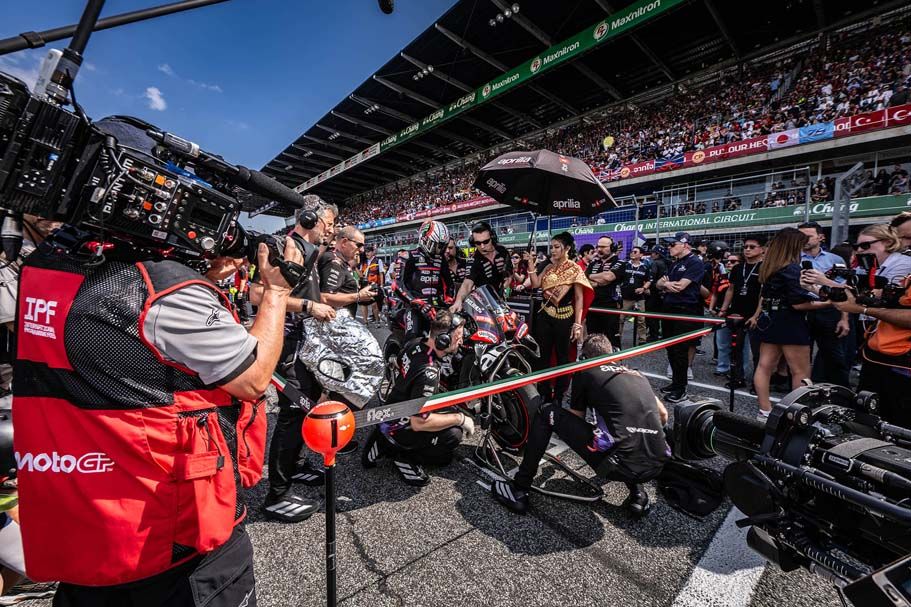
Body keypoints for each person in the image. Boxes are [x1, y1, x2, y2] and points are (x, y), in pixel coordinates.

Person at [14, 227, 301, 604]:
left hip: (83, 531)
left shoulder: (46, 269)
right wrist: (277, 291)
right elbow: (252, 378)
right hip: (173, 540)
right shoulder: (160, 287)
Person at [490, 334, 669, 518]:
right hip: (656, 465)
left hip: (618, 465)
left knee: (546, 412)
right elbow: (663, 415)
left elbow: (576, 419)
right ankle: (638, 494)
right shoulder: (637, 375)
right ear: (613, 353)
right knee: (625, 430)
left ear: (584, 358)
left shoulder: (586, 372)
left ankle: (519, 489)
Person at [252, 198, 339, 524]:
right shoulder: (282, 245)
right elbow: (255, 294)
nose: (331, 229)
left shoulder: (310, 250)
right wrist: (309, 307)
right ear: (310, 217)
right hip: (287, 343)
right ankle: (276, 495)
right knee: (292, 414)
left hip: (307, 344)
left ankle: (296, 465)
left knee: (308, 405)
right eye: (328, 222)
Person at [361, 311, 474, 486]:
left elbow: (400, 363)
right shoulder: (429, 372)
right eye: (458, 337)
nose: (461, 341)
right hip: (402, 425)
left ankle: (384, 438)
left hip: (392, 410)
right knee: (451, 439)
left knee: (444, 410)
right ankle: (403, 455)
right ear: (443, 340)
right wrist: (461, 419)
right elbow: (419, 422)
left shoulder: (416, 343)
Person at [751, 228, 831, 420]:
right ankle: (798, 415)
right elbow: (798, 303)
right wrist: (828, 303)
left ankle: (764, 411)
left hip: (770, 319)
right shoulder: (792, 268)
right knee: (801, 372)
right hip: (791, 322)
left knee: (764, 366)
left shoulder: (769, 267)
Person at [524, 233, 594, 406]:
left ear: (567, 248)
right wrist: (531, 263)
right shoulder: (548, 266)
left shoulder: (574, 269)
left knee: (563, 358)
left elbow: (579, 298)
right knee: (543, 356)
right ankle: (544, 393)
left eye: (557, 247)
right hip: (544, 315)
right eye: (552, 247)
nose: (553, 250)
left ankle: (559, 396)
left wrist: (577, 323)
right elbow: (535, 284)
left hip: (565, 317)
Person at [797, 222, 851, 387]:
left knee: (834, 355)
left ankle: (842, 390)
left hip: (828, 310)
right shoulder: (792, 258)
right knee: (800, 355)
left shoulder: (835, 259)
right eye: (800, 236)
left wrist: (844, 318)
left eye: (808, 236)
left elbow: (844, 290)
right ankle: (801, 390)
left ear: (820, 237)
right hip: (801, 309)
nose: (804, 240)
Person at [656, 232, 705, 403]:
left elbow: (680, 286)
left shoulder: (695, 262)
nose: (669, 247)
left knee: (680, 350)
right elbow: (658, 284)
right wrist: (666, 284)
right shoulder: (675, 263)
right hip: (669, 309)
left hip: (685, 310)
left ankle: (681, 388)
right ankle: (676, 383)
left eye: (672, 244)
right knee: (670, 348)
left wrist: (666, 284)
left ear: (685, 245)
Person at [394, 220, 453, 342]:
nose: (439, 249)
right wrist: (416, 302)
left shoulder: (441, 259)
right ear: (424, 239)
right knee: (413, 336)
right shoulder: (407, 256)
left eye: (442, 246)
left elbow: (449, 284)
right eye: (436, 245)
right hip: (413, 307)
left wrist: (449, 300)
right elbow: (397, 285)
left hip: (436, 308)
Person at [718, 236, 765, 389]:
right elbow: (730, 290)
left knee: (758, 351)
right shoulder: (738, 268)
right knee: (736, 348)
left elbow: (763, 294)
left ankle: (758, 383)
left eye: (752, 247)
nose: (747, 250)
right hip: (736, 313)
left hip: (755, 314)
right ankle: (738, 378)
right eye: (745, 247)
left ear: (762, 249)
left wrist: (756, 315)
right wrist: (724, 309)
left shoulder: (764, 267)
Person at [451, 221, 513, 311]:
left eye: (486, 242)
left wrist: (504, 289)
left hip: (503, 300)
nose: (482, 246)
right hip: (485, 304)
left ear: (492, 238)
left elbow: (509, 274)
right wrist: (458, 301)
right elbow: (467, 284)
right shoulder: (473, 260)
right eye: (478, 243)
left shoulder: (502, 251)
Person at [585, 236, 626, 350]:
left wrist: (592, 277)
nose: (599, 249)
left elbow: (609, 277)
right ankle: (592, 361)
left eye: (603, 247)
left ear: (612, 248)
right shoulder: (593, 263)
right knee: (592, 339)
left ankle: (616, 360)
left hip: (610, 306)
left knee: (612, 339)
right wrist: (597, 279)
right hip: (593, 305)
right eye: (598, 246)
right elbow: (584, 278)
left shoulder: (620, 262)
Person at [619, 246, 651, 345]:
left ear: (641, 255)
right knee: (621, 319)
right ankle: (617, 339)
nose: (632, 253)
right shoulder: (625, 265)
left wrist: (643, 288)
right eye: (632, 251)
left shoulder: (645, 267)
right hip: (626, 298)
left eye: (635, 252)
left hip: (639, 298)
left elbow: (649, 280)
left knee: (641, 320)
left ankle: (642, 340)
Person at [644, 246, 668, 342]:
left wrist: (648, 287)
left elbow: (652, 278)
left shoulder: (655, 263)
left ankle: (653, 336)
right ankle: (665, 335)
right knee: (664, 316)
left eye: (653, 253)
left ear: (657, 254)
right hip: (666, 292)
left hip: (655, 293)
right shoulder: (669, 262)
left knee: (652, 315)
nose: (651, 255)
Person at [359, 244, 386, 326]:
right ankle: (365, 322)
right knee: (363, 304)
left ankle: (377, 321)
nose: (367, 253)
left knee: (375, 304)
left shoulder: (378, 261)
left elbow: (381, 273)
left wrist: (381, 285)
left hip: (374, 285)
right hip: (364, 285)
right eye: (366, 252)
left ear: (373, 252)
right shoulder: (363, 262)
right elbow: (360, 273)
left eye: (369, 251)